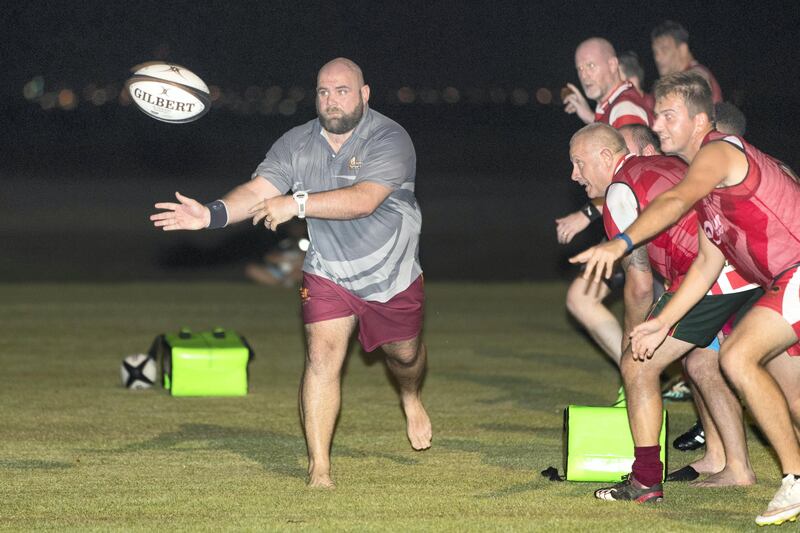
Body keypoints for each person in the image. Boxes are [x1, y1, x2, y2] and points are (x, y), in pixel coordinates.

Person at [150, 58, 432, 489]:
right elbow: (259, 192)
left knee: (405, 357)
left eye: (342, 90)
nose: (331, 100)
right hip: (327, 272)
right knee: (321, 359)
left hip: (390, 275)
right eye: (323, 91)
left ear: (365, 93)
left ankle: (410, 397)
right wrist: (209, 215)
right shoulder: (296, 143)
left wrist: (296, 203)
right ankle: (319, 469)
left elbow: (364, 200)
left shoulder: (391, 138)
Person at [572, 71, 800, 525]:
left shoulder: (715, 154)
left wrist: (621, 244)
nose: (658, 124)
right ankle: (748, 467)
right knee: (790, 396)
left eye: (669, 115)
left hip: (792, 271)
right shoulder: (709, 190)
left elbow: (675, 200)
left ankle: (791, 478)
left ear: (700, 121)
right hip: (772, 282)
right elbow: (705, 266)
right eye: (657, 115)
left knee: (734, 359)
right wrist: (660, 322)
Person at [569, 123, 763, 504]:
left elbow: (639, 283)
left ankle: (644, 481)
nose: (574, 175)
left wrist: (632, 339)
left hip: (713, 275)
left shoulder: (621, 191)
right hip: (747, 263)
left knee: (639, 366)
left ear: (606, 157)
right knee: (702, 364)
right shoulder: (666, 163)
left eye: (579, 163)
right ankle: (735, 466)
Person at [563, 37, 653, 128]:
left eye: (591, 65)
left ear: (612, 65)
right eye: (580, 69)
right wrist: (590, 117)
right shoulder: (613, 104)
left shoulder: (624, 109)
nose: (584, 76)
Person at [651, 20, 723, 103]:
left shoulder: (697, 75)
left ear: (683, 49)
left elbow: (697, 81)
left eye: (664, 50)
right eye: (655, 52)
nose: (657, 58)